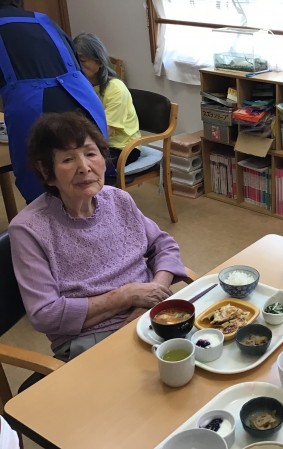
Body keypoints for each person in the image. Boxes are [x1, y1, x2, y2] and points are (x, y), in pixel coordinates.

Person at [7, 111, 186, 361]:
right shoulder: (29, 229)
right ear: (46, 171)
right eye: (68, 159)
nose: (84, 168)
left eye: (91, 154)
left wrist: (154, 291)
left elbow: (163, 245)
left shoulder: (118, 199)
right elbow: (45, 314)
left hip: (152, 312)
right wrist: (126, 296)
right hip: (91, 340)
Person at [0, 0, 107, 203]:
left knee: (45, 193)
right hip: (83, 98)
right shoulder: (44, 20)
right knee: (92, 178)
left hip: (33, 107)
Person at [73, 32, 141, 176]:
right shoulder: (82, 87)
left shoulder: (115, 88)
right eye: (75, 60)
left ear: (99, 62)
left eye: (82, 60)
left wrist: (76, 146)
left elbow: (106, 130)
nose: (77, 66)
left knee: (81, 166)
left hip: (123, 147)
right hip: (96, 142)